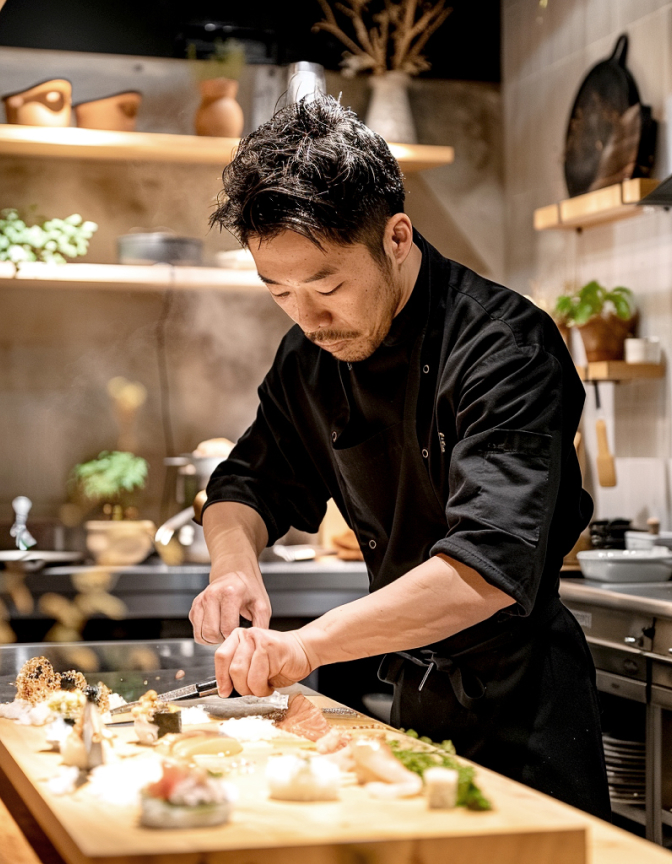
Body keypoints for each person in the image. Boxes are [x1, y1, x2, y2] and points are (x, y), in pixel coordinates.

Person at [190, 97, 610, 819]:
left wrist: (307, 647)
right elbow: (246, 481)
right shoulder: (310, 356)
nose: (308, 316)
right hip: (417, 704)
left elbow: (487, 569)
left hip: (525, 714)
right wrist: (233, 564)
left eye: (326, 285)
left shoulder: (506, 350)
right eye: (279, 292)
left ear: (396, 236)